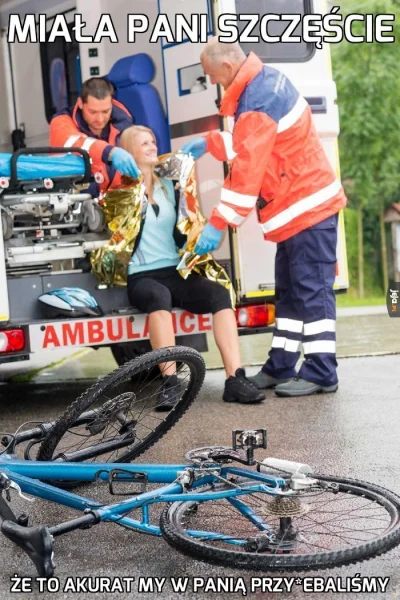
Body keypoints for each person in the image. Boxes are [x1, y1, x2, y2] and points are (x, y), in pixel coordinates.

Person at [180, 38, 347, 398]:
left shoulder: (257, 99)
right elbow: (252, 143)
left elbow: (246, 171)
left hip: (306, 209)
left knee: (312, 293)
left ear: (226, 67)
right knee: (289, 293)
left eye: (212, 75)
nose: (213, 82)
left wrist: (218, 222)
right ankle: (281, 365)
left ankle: (321, 370)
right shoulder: (262, 84)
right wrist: (210, 142)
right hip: (295, 210)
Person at [115, 125, 265, 410]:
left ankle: (235, 379)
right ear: (129, 152)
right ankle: (170, 383)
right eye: (143, 143)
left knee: (220, 295)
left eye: (153, 141)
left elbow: (186, 219)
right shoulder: (121, 192)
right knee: (159, 298)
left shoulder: (169, 187)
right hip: (141, 276)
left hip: (173, 269)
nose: (151, 147)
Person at [50, 77, 140, 197]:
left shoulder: (125, 126)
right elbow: (75, 143)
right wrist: (110, 152)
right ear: (80, 103)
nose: (100, 119)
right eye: (93, 112)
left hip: (119, 206)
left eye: (105, 111)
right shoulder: (61, 122)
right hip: (78, 206)